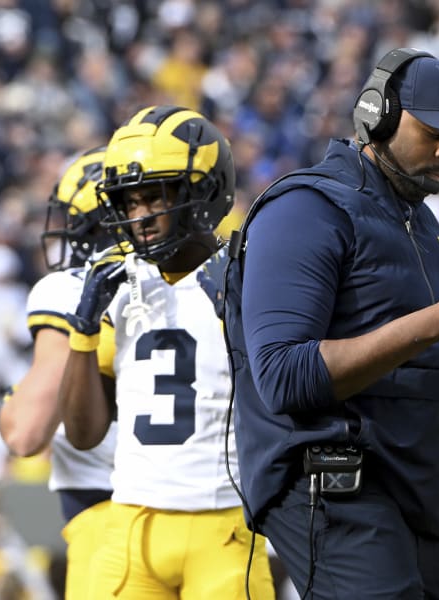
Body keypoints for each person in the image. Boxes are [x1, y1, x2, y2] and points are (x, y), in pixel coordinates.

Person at [223, 47, 439, 599]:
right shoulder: (304, 207)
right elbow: (283, 375)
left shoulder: (423, 228)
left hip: (408, 494)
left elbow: (414, 386)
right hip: (331, 488)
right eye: (435, 131)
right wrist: (434, 321)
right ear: (377, 115)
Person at [59, 106, 274, 599]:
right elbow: (84, 432)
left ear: (201, 191)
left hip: (224, 523)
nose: (140, 219)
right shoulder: (119, 287)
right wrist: (82, 331)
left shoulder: (248, 276)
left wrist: (244, 318)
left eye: (153, 197)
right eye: (128, 203)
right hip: (132, 525)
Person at [0, 145, 119, 600]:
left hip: (104, 519)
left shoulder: (70, 288)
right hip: (212, 516)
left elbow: (27, 434)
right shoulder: (206, 281)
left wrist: (11, 400)